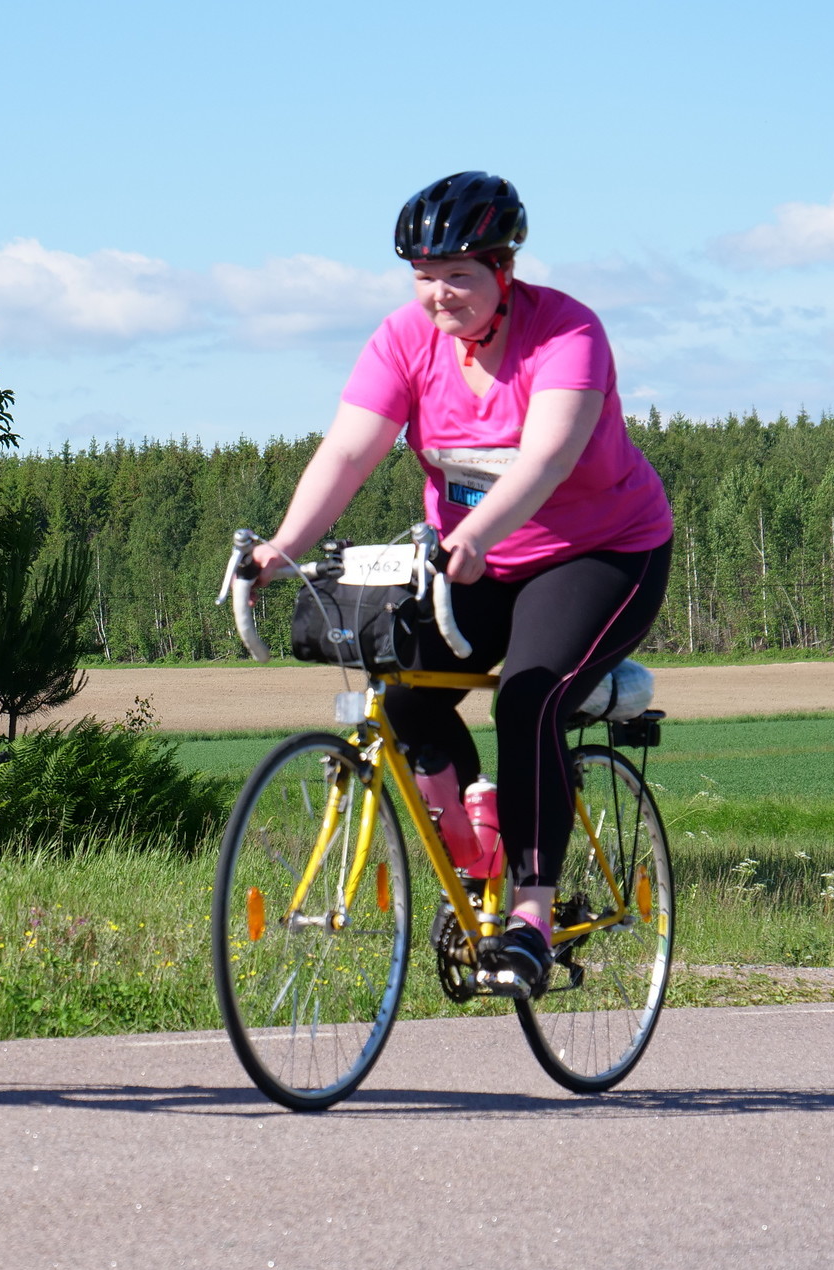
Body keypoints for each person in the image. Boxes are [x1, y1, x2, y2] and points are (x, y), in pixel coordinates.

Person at [251, 171, 673, 996]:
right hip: (470, 561)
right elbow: (348, 451)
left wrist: (476, 532)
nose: (438, 294)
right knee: (405, 694)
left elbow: (547, 459)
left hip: (599, 552)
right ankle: (477, 861)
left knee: (528, 697)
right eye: (423, 276)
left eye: (458, 275)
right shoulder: (404, 339)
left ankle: (530, 921)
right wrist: (283, 546)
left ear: (503, 271)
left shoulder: (567, 334)